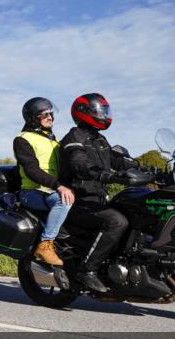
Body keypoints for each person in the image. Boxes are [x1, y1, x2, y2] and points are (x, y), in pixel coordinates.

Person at [59, 93, 139, 293]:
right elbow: (79, 163)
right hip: (78, 202)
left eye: (105, 111)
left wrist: (143, 168)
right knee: (116, 221)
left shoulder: (100, 139)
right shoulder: (74, 136)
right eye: (99, 111)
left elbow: (117, 160)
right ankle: (87, 271)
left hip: (98, 201)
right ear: (84, 112)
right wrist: (105, 175)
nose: (103, 115)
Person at [12, 97, 75, 270]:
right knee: (64, 199)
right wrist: (59, 186)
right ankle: (45, 244)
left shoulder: (53, 140)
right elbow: (32, 170)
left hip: (49, 190)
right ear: (33, 117)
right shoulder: (23, 139)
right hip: (31, 192)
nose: (50, 117)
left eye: (51, 114)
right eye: (44, 114)